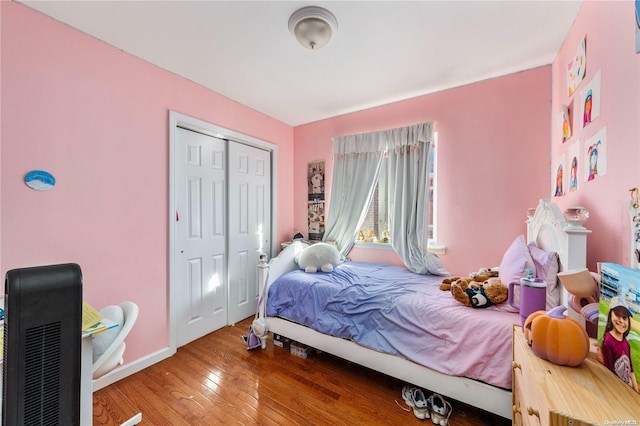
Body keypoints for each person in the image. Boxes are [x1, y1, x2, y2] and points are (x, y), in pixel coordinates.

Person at [600, 296, 639, 393]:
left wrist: (635, 390)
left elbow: (631, 370)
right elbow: (608, 373)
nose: (621, 320)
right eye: (617, 314)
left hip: (628, 387)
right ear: (610, 315)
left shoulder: (626, 343)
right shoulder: (608, 341)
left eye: (624, 317)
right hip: (617, 390)